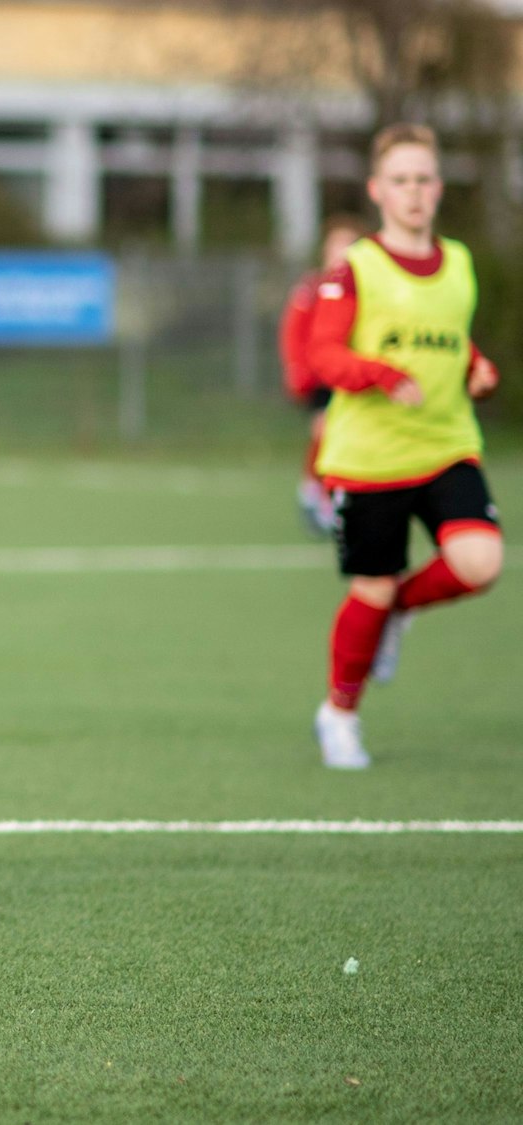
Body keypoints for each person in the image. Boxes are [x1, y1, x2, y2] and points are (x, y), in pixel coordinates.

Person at [306, 123, 501, 769]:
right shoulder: (355, 269)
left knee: (480, 562)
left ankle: (398, 614)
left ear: (439, 187)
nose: (414, 192)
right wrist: (382, 376)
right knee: (373, 587)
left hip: (447, 444)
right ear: (377, 190)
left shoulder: (462, 264)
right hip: (370, 458)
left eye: (423, 179)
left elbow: (444, 334)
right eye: (400, 180)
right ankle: (339, 713)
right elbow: (324, 354)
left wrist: (477, 366)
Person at [279, 214, 368, 538]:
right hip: (321, 378)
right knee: (325, 431)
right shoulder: (312, 289)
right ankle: (313, 493)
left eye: (351, 245)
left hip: (353, 377)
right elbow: (294, 333)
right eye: (337, 245)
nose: (343, 252)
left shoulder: (368, 291)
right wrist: (298, 372)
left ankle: (340, 496)